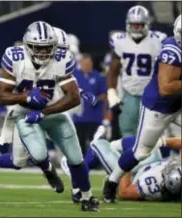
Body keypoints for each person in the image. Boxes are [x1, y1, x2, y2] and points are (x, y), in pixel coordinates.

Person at [0, 22, 99, 212]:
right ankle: (46, 169)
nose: (43, 52)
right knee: (30, 158)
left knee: (76, 157)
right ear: (27, 45)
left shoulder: (62, 57)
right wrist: (25, 96)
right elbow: (0, 96)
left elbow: (69, 94)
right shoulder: (15, 57)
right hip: (25, 113)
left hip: (52, 112)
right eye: (38, 47)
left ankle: (86, 197)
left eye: (48, 47)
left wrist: (44, 111)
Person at [103, 14, 181, 203]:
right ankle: (112, 181)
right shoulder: (172, 51)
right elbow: (166, 88)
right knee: (141, 151)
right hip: (158, 106)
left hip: (178, 103)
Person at [61, 135, 181, 202]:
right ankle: (113, 147)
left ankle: (77, 174)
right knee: (144, 144)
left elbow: (124, 192)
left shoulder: (151, 185)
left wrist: (125, 164)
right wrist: (162, 142)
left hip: (129, 177)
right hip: (148, 166)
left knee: (98, 144)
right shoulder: (175, 176)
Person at [107, 5, 167, 137]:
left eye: (139, 25)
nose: (136, 28)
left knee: (152, 132)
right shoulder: (119, 41)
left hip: (152, 92)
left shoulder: (158, 40)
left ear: (147, 24)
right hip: (129, 93)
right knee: (128, 130)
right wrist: (111, 91)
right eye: (133, 25)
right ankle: (130, 157)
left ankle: (153, 157)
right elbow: (114, 69)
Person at [72, 54, 107, 154]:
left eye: (88, 64)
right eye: (84, 64)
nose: (86, 66)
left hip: (94, 116)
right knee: (79, 141)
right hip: (79, 116)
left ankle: (94, 161)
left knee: (94, 141)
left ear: (91, 64)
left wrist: (96, 99)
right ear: (81, 64)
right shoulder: (75, 76)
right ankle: (81, 162)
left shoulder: (99, 77)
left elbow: (105, 94)